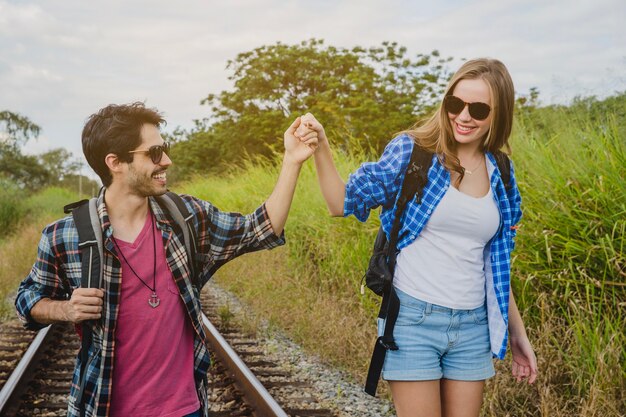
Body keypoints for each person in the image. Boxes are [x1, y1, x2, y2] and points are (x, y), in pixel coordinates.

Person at [15, 102, 319, 417]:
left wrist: (292, 161)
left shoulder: (186, 217)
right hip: (105, 408)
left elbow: (259, 229)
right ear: (116, 162)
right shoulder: (66, 236)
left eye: (165, 149)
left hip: (184, 409)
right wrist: (66, 309)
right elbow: (27, 300)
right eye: (155, 153)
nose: (167, 160)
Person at [299, 58, 538, 417]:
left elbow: (497, 264)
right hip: (413, 321)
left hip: (472, 328)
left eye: (478, 109)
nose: (464, 116)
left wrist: (517, 334)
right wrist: (322, 146)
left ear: (498, 114)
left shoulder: (502, 171)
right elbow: (340, 202)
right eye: (455, 104)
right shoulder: (413, 152)